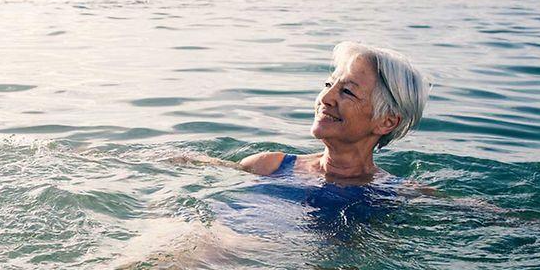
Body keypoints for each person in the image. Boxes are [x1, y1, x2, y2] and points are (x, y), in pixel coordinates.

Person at [183, 42, 430, 184]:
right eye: (328, 85)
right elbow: (217, 169)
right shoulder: (270, 165)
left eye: (347, 92)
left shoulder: (398, 193)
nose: (325, 98)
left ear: (386, 122)